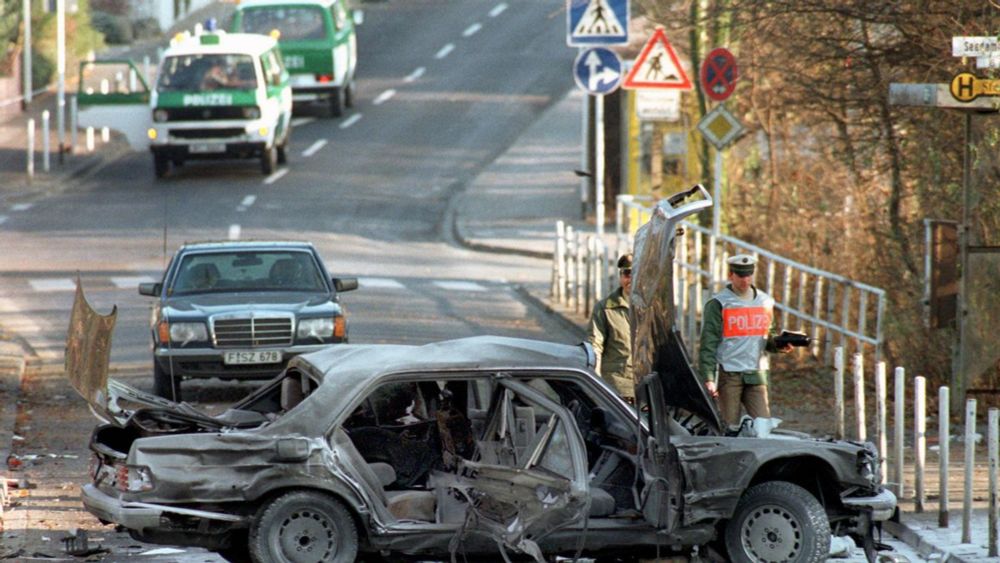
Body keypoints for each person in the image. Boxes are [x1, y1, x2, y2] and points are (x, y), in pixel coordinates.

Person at [698, 254, 792, 426]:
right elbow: (708, 342)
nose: (745, 280)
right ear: (731, 275)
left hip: (756, 373)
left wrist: (780, 344)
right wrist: (709, 377)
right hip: (729, 373)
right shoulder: (719, 303)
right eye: (741, 275)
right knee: (729, 427)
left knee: (763, 426)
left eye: (749, 275)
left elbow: (767, 335)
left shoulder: (765, 302)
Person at [588, 253, 634, 401]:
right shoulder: (605, 308)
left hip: (648, 389)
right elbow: (595, 346)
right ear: (621, 276)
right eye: (627, 273)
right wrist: (597, 383)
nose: (631, 279)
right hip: (617, 389)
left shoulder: (654, 308)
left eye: (636, 273)